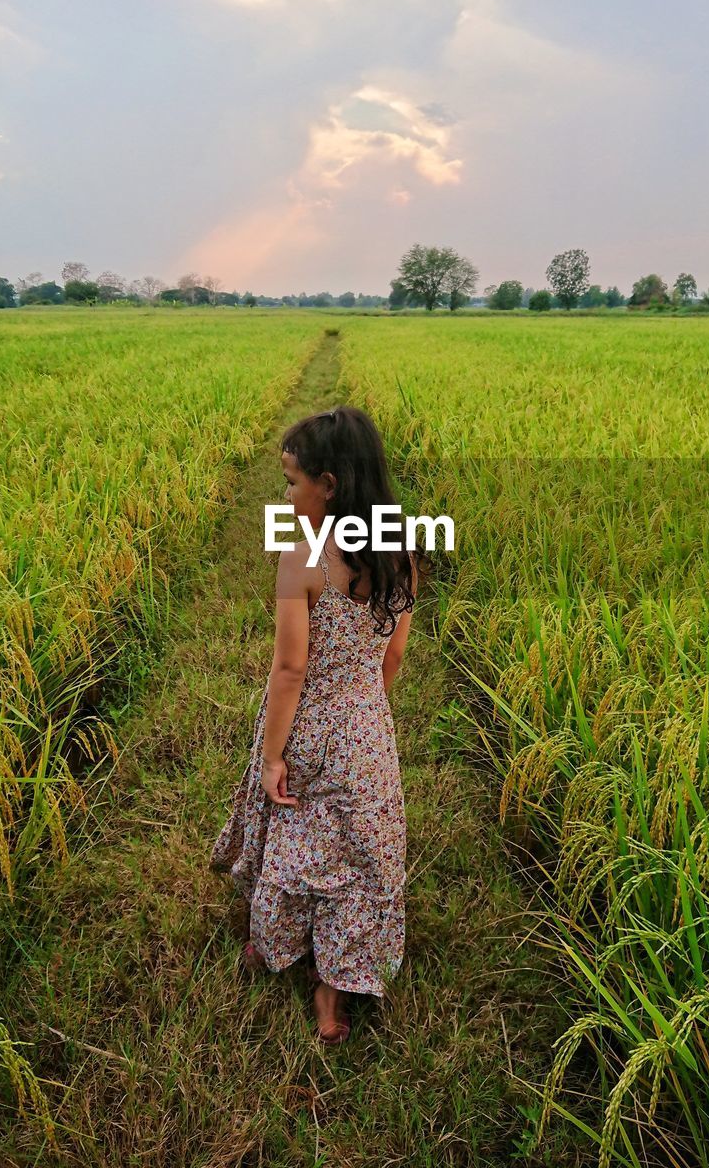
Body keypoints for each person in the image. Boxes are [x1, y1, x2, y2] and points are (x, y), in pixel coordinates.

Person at [209, 404, 428, 1045]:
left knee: (294, 843)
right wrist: (364, 711)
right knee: (360, 859)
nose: (285, 493)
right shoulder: (403, 555)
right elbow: (394, 658)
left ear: (328, 486)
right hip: (367, 732)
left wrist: (273, 756)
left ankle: (271, 943)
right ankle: (333, 995)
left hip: (305, 728)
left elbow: (288, 670)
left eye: (291, 481)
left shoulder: (301, 559)